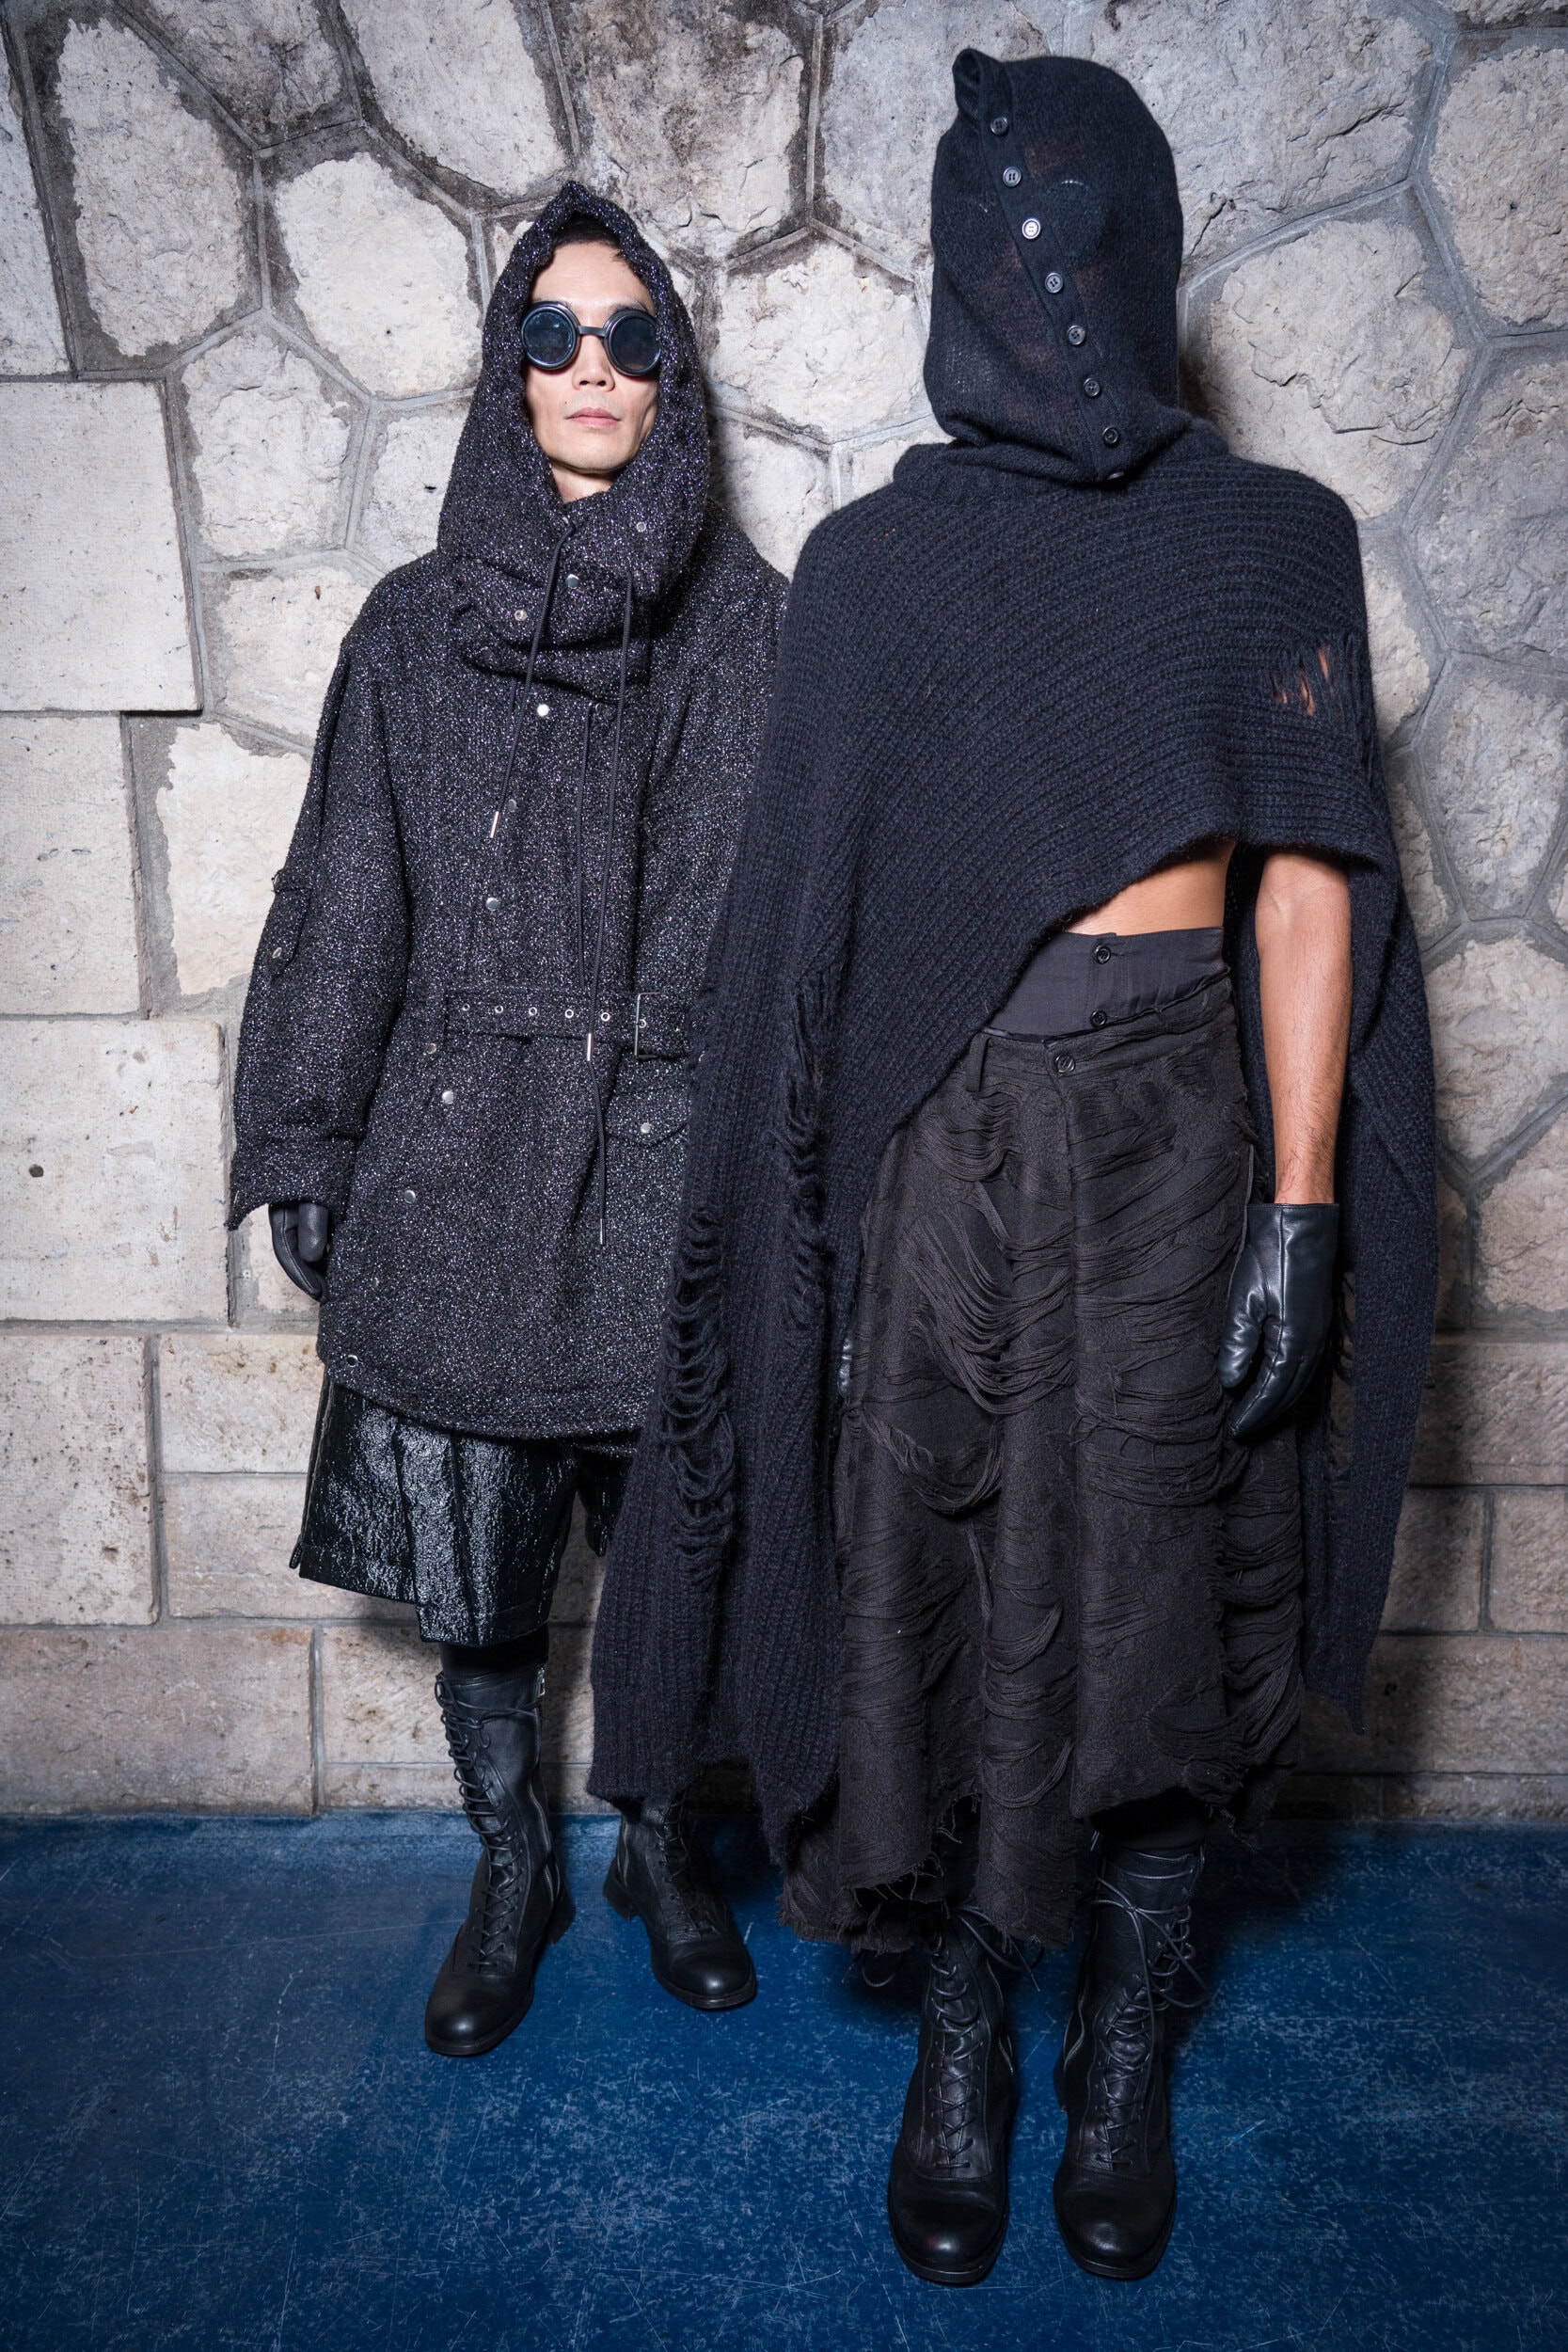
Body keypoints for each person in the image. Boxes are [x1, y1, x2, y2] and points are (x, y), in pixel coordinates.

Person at [589, 56, 1435, 2285]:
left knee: (1165, 1584)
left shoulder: (1273, 540)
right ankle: (961, 2028)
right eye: (1004, 244)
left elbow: (1310, 879)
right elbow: (816, 939)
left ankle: (1123, 2038)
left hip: (1182, 1134)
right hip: (946, 1149)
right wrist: (816, 1230)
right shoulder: (878, 570)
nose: (1048, 283)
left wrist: (1306, 1198)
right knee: (936, 1586)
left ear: (1150, 255)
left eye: (1085, 238)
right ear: (956, 278)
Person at [230, 183, 785, 2057]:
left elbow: (803, 929)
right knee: (480, 1561)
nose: (593, 366)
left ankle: (664, 1847)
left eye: (632, 335)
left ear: (671, 374)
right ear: (510, 369)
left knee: (681, 1551)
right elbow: (346, 889)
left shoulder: (756, 632)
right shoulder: (413, 629)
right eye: (554, 333)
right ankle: (514, 1860)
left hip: (668, 1154)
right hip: (459, 1152)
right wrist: (306, 1132)